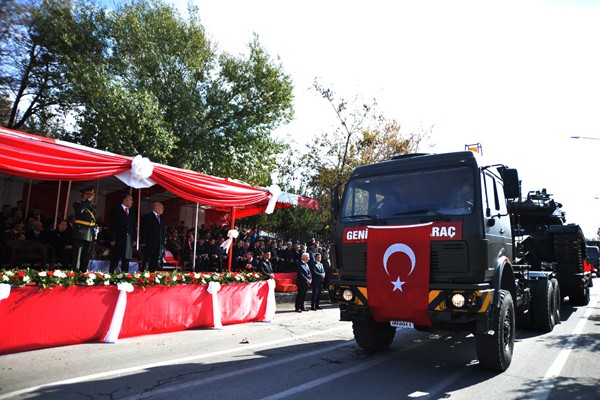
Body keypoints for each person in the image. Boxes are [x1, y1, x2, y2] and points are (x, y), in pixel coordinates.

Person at [108, 193, 135, 274]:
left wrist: (133, 239)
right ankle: (112, 277)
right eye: (130, 200)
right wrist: (112, 238)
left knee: (126, 258)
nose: (132, 202)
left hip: (128, 238)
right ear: (125, 200)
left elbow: (133, 226)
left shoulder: (132, 212)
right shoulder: (116, 210)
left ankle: (124, 276)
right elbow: (112, 225)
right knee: (115, 258)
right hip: (118, 238)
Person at [71, 187, 97, 271]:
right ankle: (75, 273)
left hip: (89, 232)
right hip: (80, 232)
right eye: (90, 195)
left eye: (92, 195)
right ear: (85, 195)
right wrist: (87, 201)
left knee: (86, 255)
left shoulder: (92, 206)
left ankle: (83, 273)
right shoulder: (78, 203)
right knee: (77, 255)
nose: (92, 197)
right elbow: (79, 210)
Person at [140, 202, 165, 272]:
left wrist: (162, 242)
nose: (163, 209)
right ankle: (143, 277)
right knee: (146, 261)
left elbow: (162, 232)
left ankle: (152, 276)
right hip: (148, 244)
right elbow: (144, 230)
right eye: (161, 207)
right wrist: (143, 242)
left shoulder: (161, 219)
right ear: (156, 207)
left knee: (154, 262)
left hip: (158, 244)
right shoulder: (147, 217)